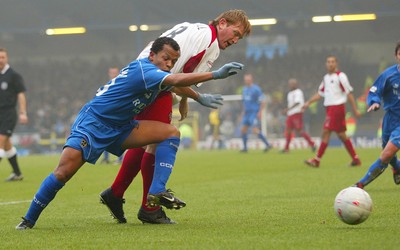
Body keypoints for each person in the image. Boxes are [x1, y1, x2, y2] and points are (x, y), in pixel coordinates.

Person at [15, 37, 244, 230]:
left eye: (173, 61)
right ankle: (28, 219)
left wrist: (197, 97)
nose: (169, 63)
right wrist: (215, 75)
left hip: (122, 127)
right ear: (152, 55)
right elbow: (173, 79)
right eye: (166, 58)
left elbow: (173, 85)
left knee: (171, 133)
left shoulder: (155, 73)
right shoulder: (145, 70)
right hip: (94, 124)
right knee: (64, 172)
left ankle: (156, 192)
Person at [99, 9, 251, 225]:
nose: (236, 40)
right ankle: (149, 208)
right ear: (223, 23)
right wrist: (198, 96)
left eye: (239, 38)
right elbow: (173, 77)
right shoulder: (207, 39)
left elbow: (181, 75)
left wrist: (185, 99)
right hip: (153, 81)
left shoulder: (201, 32)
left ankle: (116, 193)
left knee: (148, 139)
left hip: (146, 78)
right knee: (161, 137)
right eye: (235, 33)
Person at [354, 42, 400, 188]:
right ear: (396, 56)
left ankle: (359, 185)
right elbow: (375, 91)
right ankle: (397, 168)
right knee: (387, 151)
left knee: (386, 155)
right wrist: (374, 102)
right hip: (390, 119)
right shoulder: (388, 75)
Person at [303, 55, 361, 168]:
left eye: (332, 62)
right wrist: (308, 102)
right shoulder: (326, 78)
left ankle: (317, 160)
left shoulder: (341, 76)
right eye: (328, 62)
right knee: (341, 135)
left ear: (336, 64)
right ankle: (355, 159)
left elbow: (349, 93)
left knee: (326, 131)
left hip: (337, 108)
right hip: (330, 109)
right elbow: (320, 93)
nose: (330, 64)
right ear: (326, 64)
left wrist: (355, 109)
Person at [0, 48, 28, 181]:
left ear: (7, 58)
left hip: (8, 113)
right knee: (7, 145)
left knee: (0, 141)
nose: (0, 60)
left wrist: (23, 112)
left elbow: (21, 94)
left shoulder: (13, 75)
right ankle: (17, 173)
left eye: (2, 57)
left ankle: (17, 173)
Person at [281, 78, 315, 153]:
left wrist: (287, 109)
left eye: (293, 83)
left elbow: (297, 103)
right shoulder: (289, 93)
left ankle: (312, 144)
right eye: (290, 84)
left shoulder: (298, 92)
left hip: (297, 113)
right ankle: (286, 148)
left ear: (296, 84)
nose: (291, 85)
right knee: (288, 131)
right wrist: (288, 111)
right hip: (290, 114)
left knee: (300, 131)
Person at [239, 73, 272, 152]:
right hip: (247, 113)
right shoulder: (244, 89)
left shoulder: (256, 89)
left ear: (251, 80)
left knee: (254, 130)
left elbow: (263, 101)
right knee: (243, 129)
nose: (247, 81)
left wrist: (260, 112)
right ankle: (245, 148)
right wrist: (242, 113)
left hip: (253, 112)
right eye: (246, 80)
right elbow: (244, 102)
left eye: (248, 80)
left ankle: (268, 144)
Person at [101, 67, 121, 164]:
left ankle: (120, 159)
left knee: (120, 137)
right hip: (109, 115)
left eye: (115, 72)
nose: (113, 74)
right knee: (105, 136)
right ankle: (106, 159)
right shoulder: (108, 85)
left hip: (120, 114)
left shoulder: (122, 84)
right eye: (111, 72)